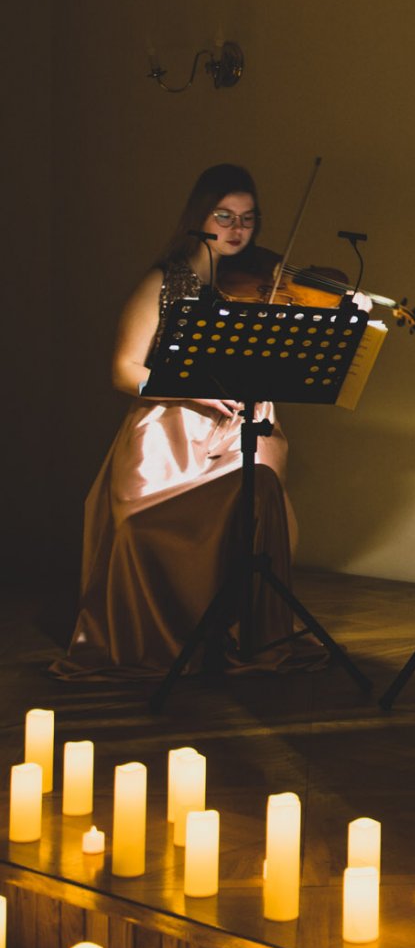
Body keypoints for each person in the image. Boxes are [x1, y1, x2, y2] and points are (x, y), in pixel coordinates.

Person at [55, 163, 304, 677]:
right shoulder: (165, 279)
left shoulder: (266, 279)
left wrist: (350, 308)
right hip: (169, 429)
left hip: (243, 423)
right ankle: (161, 636)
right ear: (200, 217)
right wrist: (190, 390)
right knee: (136, 526)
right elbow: (124, 369)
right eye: (225, 217)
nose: (237, 230)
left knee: (258, 495)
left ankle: (238, 633)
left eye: (249, 220)